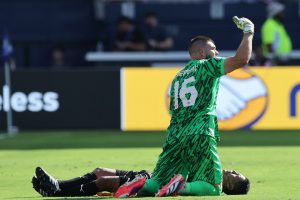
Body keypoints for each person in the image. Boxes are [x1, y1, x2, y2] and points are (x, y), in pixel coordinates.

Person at [114, 16, 254, 198]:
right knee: (213, 186)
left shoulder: (178, 77)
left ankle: (142, 183)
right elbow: (241, 59)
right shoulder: (207, 66)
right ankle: (181, 187)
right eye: (213, 49)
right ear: (202, 53)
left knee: (159, 182)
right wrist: (248, 32)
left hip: (174, 136)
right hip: (199, 132)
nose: (217, 52)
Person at [31, 166, 249, 197]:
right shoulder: (211, 165)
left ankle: (57, 193)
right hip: (151, 173)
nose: (233, 170)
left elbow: (181, 186)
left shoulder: (212, 187)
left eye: (237, 175)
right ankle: (57, 184)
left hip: (149, 183)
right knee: (99, 171)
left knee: (105, 181)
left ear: (232, 185)